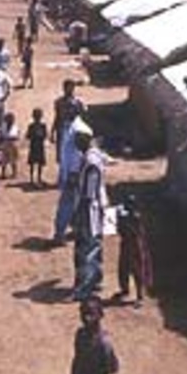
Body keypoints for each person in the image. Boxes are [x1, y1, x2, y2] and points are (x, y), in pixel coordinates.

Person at [72, 127, 108, 301]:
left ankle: (85, 288)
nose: (75, 143)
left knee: (87, 248)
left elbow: (89, 192)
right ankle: (96, 279)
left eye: (78, 140)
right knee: (95, 244)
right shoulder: (96, 155)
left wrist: (78, 213)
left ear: (85, 139)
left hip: (89, 209)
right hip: (98, 205)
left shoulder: (91, 161)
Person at [53, 117, 87, 245]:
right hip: (71, 176)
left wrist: (72, 175)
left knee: (70, 205)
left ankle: (65, 232)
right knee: (70, 204)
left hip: (73, 176)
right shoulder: (69, 128)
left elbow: (75, 158)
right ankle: (63, 233)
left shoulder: (78, 131)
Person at [113, 196, 152, 308]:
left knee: (138, 270)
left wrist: (123, 218)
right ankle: (125, 290)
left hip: (136, 245)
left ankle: (140, 296)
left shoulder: (137, 217)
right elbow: (119, 230)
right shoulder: (125, 216)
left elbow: (135, 230)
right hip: (126, 243)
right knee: (123, 268)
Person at [70, 296, 119, 374]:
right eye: (84, 313)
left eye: (91, 314)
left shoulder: (103, 343)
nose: (87, 318)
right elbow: (77, 361)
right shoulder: (80, 334)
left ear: (101, 315)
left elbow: (113, 368)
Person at [52, 80, 86, 164]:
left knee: (74, 154)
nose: (69, 90)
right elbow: (57, 117)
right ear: (63, 89)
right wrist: (52, 131)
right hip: (62, 129)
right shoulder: (58, 102)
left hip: (74, 130)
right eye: (67, 88)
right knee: (62, 155)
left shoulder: (78, 102)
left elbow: (82, 117)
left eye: (71, 88)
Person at [26, 108, 47, 186]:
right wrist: (34, 135)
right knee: (33, 163)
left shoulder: (42, 126)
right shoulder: (31, 126)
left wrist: (40, 135)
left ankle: (38, 178)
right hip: (35, 145)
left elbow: (45, 135)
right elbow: (28, 136)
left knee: (39, 163)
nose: (37, 118)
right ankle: (32, 179)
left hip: (38, 145)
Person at [0, 112, 20, 180]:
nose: (10, 121)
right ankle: (3, 174)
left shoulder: (15, 127)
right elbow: (0, 136)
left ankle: (14, 173)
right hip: (5, 145)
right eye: (8, 120)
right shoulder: (3, 126)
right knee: (4, 160)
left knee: (13, 160)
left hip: (13, 145)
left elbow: (17, 137)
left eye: (11, 120)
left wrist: (8, 138)